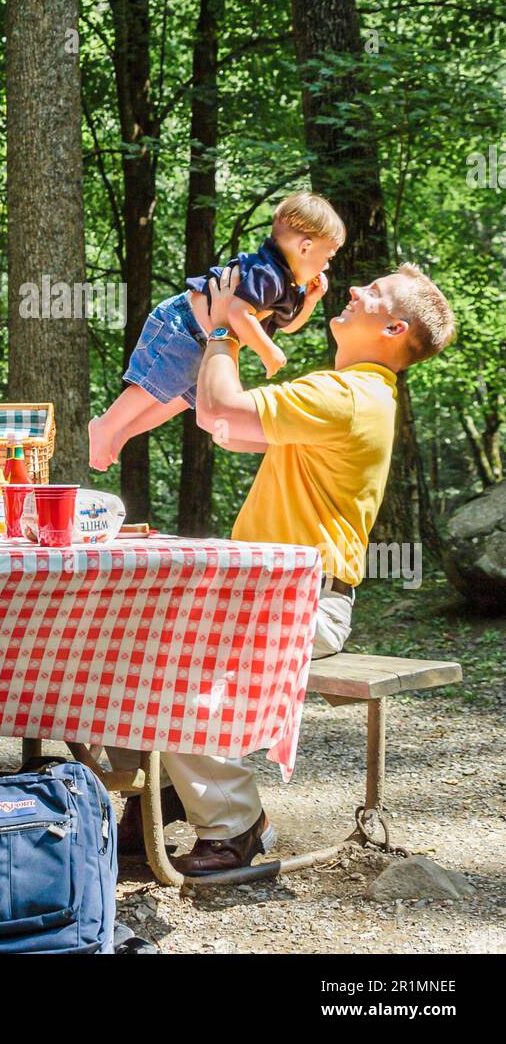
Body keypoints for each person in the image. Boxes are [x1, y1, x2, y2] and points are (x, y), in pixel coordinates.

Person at [109, 260, 456, 875]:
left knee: (168, 655)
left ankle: (236, 826)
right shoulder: (349, 394)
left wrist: (223, 329)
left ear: (394, 328)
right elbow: (229, 430)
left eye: (371, 293)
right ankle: (169, 798)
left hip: (305, 606)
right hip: (275, 598)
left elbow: (222, 412)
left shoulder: (347, 395)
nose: (352, 289)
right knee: (131, 631)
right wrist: (240, 329)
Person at [88, 193, 345, 470]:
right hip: (184, 327)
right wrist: (267, 352)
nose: (328, 265)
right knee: (154, 388)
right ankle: (105, 425)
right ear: (305, 247)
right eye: (328, 256)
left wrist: (310, 301)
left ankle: (124, 432)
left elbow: (289, 325)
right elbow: (237, 312)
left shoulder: (291, 288)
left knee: (177, 401)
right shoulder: (266, 272)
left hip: (206, 345)